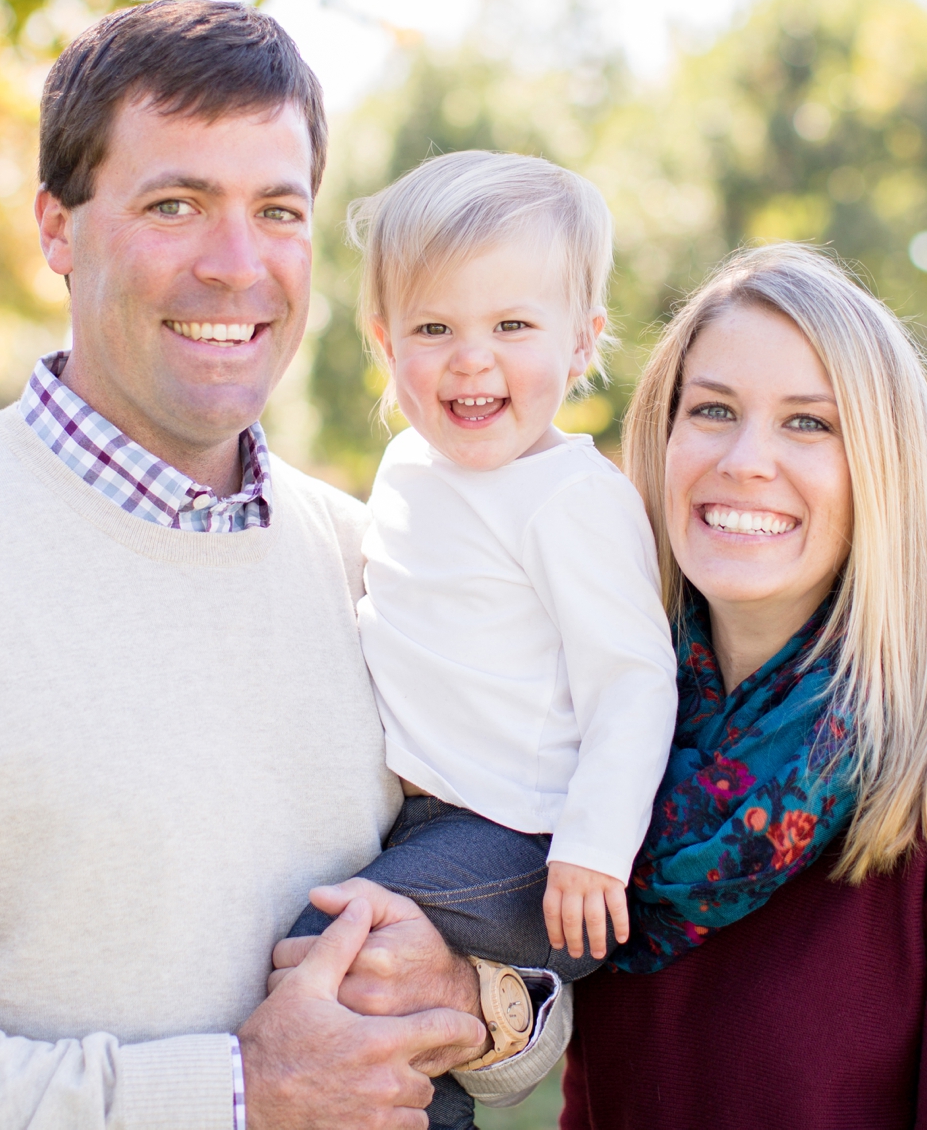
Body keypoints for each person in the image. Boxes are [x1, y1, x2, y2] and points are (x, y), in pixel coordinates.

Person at [0, 0, 569, 1130]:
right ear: (57, 230)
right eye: (176, 205)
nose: (235, 265)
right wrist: (234, 1097)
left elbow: (516, 949)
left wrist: (474, 1003)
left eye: (277, 210)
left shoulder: (373, 560)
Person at [561, 243, 927, 1129]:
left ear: (881, 469)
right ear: (661, 436)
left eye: (809, 423)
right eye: (713, 409)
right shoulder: (612, 738)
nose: (746, 459)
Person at [278, 152, 678, 1129]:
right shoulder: (408, 465)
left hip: (535, 843)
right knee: (396, 1007)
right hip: (434, 825)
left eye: (511, 325)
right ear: (383, 342)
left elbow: (633, 681)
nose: (471, 357)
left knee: (331, 945)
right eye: (433, 327)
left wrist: (592, 846)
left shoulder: (570, 499)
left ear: (580, 344)